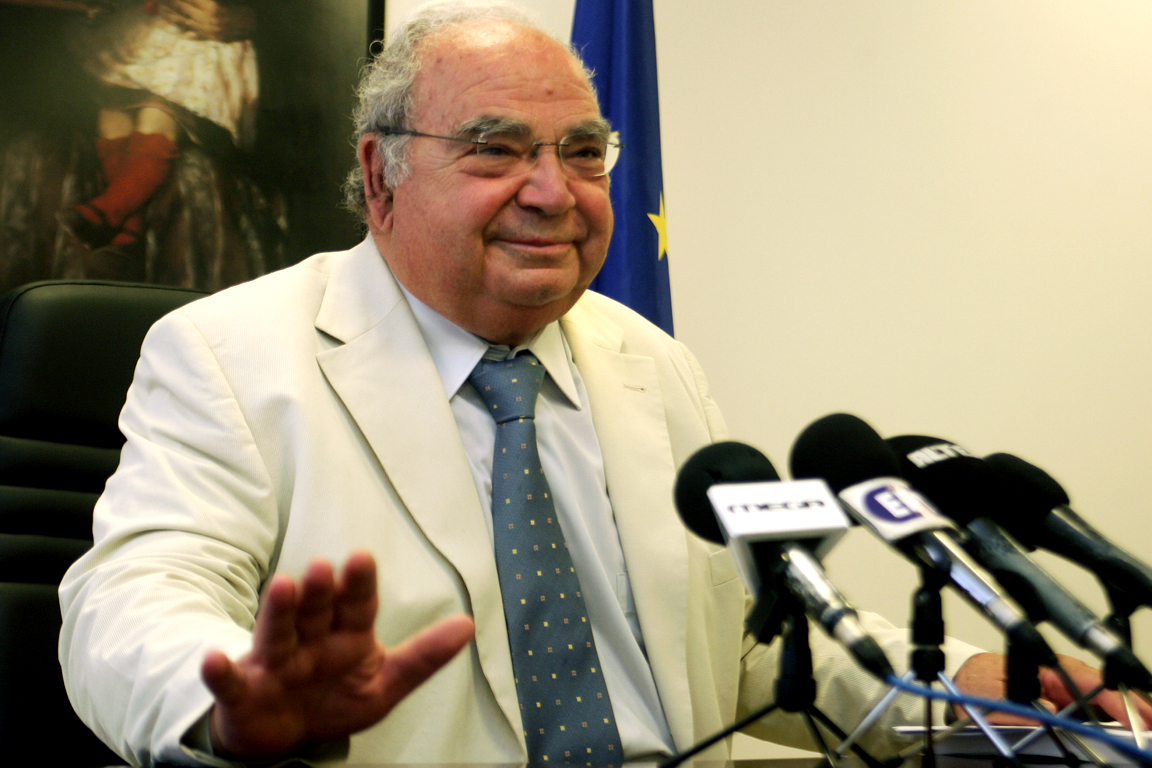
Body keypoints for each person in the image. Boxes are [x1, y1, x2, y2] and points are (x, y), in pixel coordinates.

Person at [58, 2, 1149, 766]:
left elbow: (742, 650)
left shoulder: (647, 359)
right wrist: (225, 700)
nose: (553, 191)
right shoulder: (233, 354)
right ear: (382, 177)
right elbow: (128, 601)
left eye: (583, 152)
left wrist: (974, 692)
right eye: (495, 151)